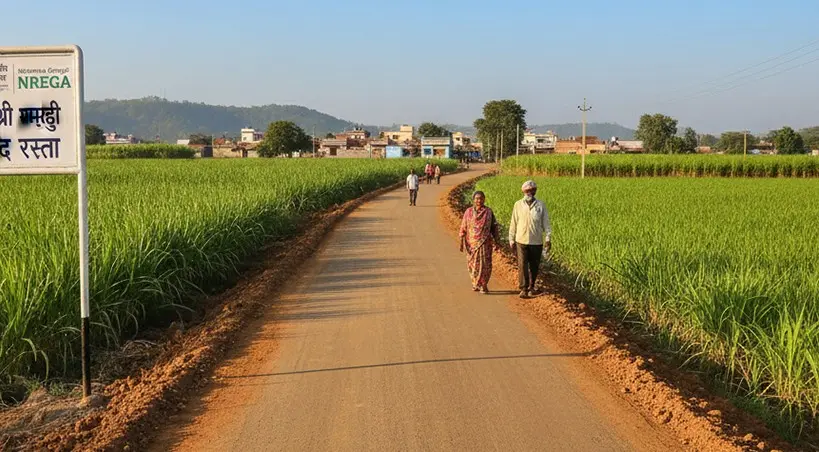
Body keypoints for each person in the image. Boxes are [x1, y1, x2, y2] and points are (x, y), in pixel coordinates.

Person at [508, 180, 552, 298]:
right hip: (521, 240)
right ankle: (523, 288)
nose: (530, 193)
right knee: (522, 265)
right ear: (523, 191)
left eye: (532, 190)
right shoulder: (518, 205)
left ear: (535, 191)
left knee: (534, 265)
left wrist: (548, 238)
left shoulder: (540, 205)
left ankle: (532, 287)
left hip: (536, 241)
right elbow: (514, 222)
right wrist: (511, 239)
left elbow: (546, 223)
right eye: (527, 191)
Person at [459, 191, 501, 294]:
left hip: (485, 244)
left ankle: (483, 285)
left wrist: (497, 241)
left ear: (484, 199)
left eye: (481, 198)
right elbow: (463, 226)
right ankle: (475, 283)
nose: (479, 201)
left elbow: (494, 227)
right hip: (471, 244)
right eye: (477, 198)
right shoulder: (468, 212)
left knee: (485, 265)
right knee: (473, 265)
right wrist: (461, 241)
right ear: (473, 200)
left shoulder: (488, 212)